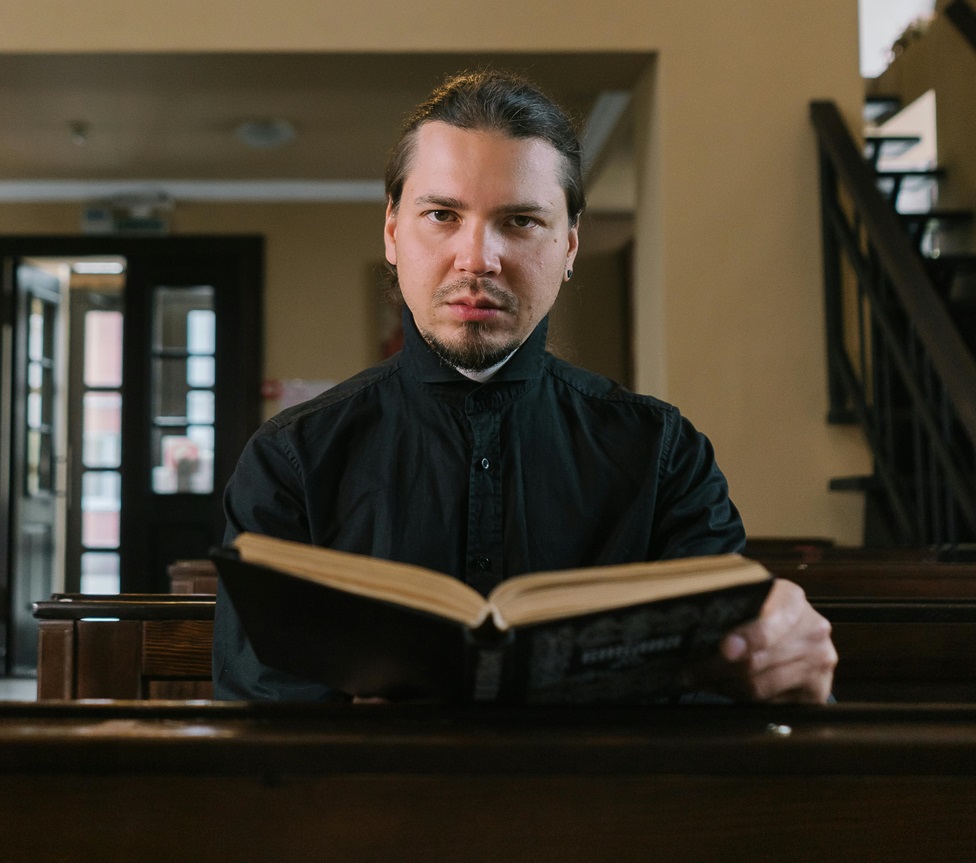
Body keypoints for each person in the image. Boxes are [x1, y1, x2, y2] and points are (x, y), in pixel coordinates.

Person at [213, 70, 837, 704]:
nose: (478, 257)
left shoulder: (665, 454)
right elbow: (260, 720)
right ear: (393, 233)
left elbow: (724, 696)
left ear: (568, 246)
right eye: (441, 215)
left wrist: (781, 672)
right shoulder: (289, 459)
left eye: (519, 221)